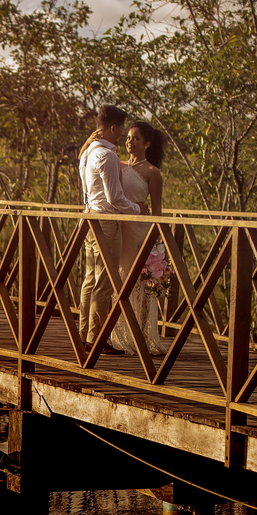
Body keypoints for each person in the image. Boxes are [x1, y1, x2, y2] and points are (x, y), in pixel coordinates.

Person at [78, 105, 142, 356]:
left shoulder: (88, 153)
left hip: (89, 218)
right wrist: (137, 209)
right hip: (106, 220)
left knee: (90, 278)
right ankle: (96, 339)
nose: (123, 135)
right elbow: (115, 198)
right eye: (121, 129)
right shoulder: (107, 156)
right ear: (112, 128)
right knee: (105, 280)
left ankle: (85, 334)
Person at [109, 120, 168, 356]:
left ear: (147, 144)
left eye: (135, 138)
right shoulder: (118, 165)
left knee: (140, 285)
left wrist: (155, 244)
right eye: (128, 137)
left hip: (139, 232)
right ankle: (117, 335)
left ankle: (141, 335)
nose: (130, 142)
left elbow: (157, 210)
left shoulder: (152, 172)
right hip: (118, 228)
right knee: (119, 280)